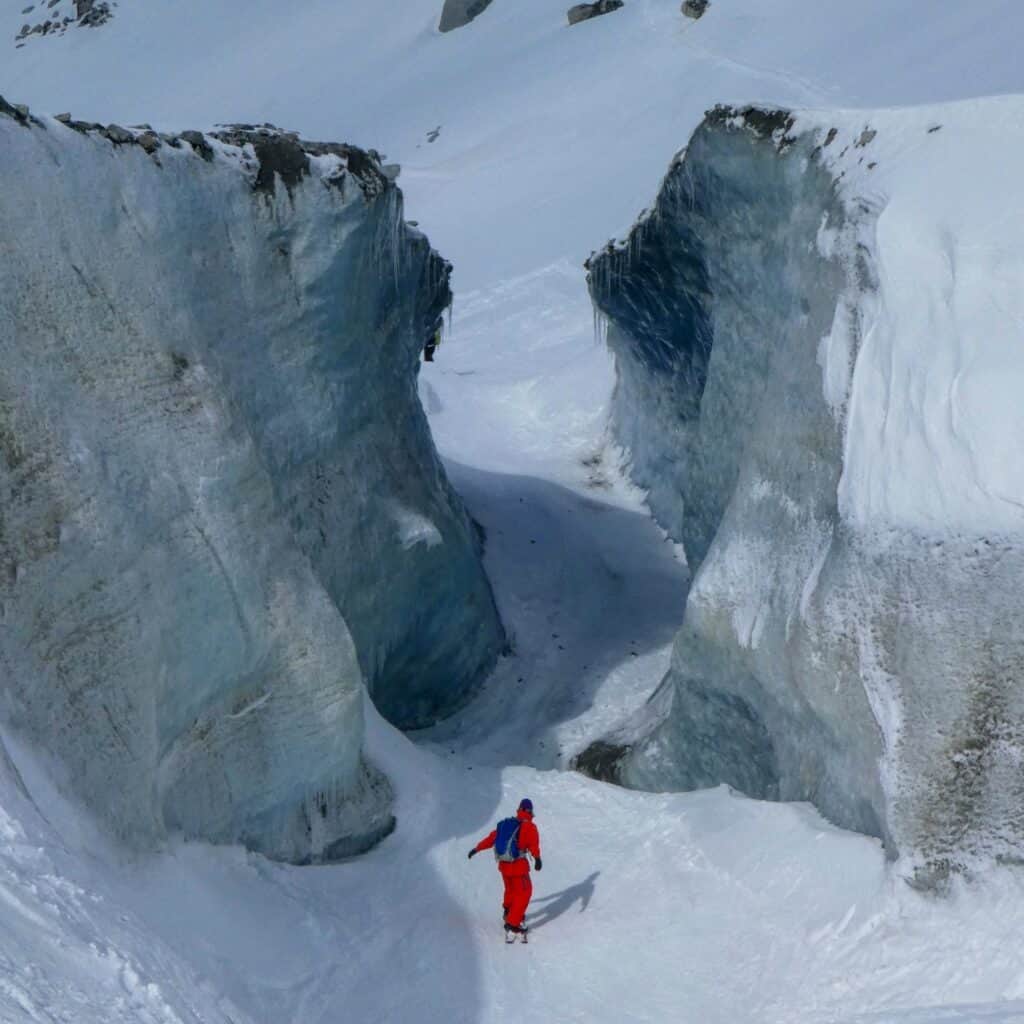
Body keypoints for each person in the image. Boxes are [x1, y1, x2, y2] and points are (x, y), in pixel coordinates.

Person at [468, 798, 542, 938]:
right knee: (525, 892)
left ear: (519, 809)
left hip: (504, 866)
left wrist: (476, 849)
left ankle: (508, 911)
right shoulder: (529, 827)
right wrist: (537, 859)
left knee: (511, 889)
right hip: (518, 867)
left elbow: (491, 839)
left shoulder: (506, 824)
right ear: (530, 812)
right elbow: (533, 845)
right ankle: (513, 923)